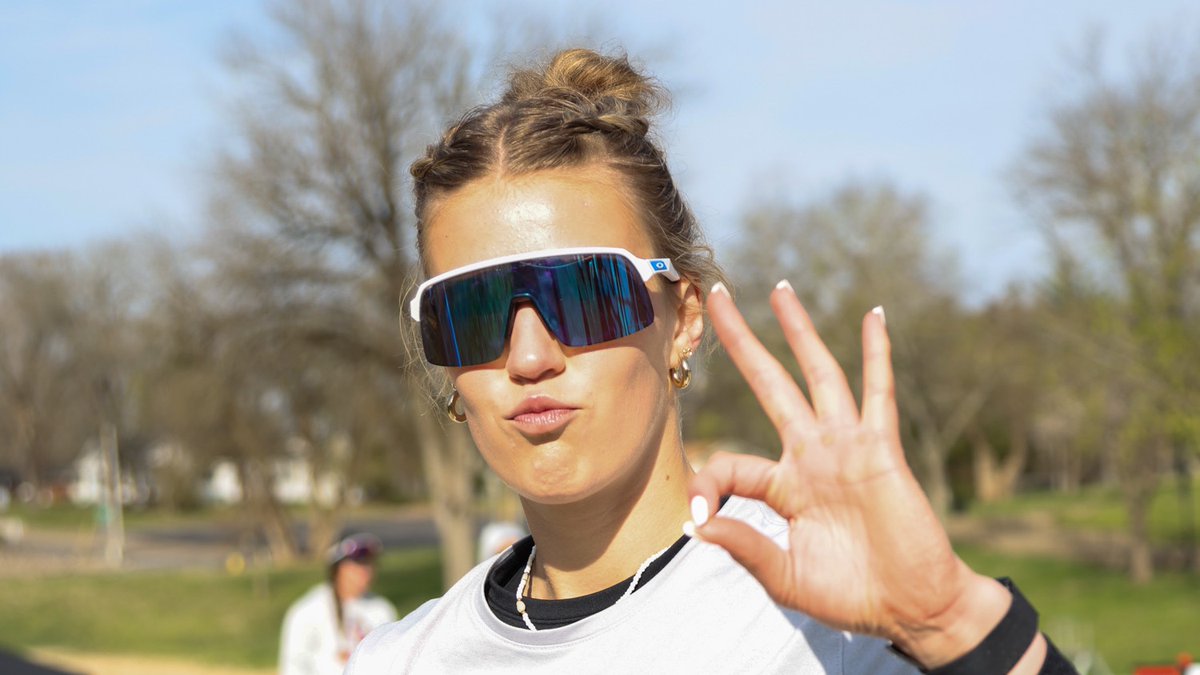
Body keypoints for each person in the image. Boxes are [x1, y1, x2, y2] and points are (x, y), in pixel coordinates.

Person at [348, 49, 1077, 673]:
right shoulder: (397, 658)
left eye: (583, 292)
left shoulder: (839, 615)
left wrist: (951, 622)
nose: (530, 355)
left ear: (683, 320)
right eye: (472, 312)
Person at [280, 533, 397, 675]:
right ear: (337, 568)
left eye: (370, 563)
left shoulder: (382, 610)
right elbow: (294, 667)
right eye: (358, 563)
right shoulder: (309, 611)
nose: (366, 571)